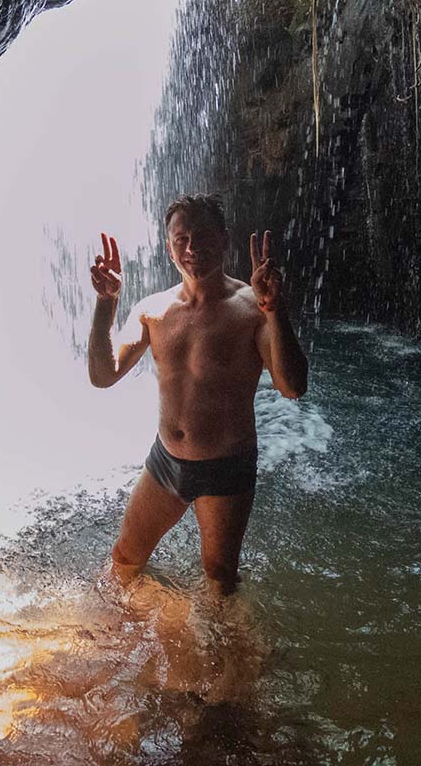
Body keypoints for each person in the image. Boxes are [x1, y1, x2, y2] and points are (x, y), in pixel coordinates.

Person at [87, 193, 309, 596]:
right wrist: (106, 303)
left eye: (203, 236)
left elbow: (293, 387)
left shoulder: (251, 310)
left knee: (219, 577)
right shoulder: (153, 311)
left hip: (227, 468)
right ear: (168, 246)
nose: (192, 249)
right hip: (165, 463)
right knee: (124, 559)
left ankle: (228, 655)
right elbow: (103, 376)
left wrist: (276, 311)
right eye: (181, 239)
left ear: (225, 240)